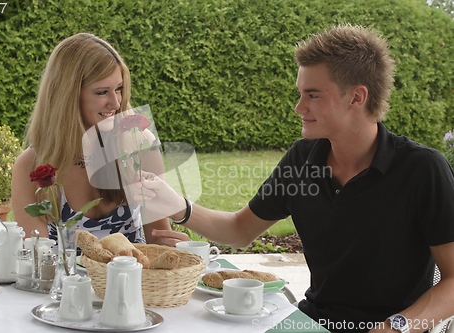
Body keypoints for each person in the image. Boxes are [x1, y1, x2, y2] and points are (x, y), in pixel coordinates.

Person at [133, 24, 454, 332]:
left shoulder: (422, 170)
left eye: (313, 95)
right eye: (301, 94)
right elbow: (240, 230)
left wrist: (396, 328)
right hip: (311, 323)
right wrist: (179, 206)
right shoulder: (302, 159)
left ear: (357, 97)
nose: (299, 107)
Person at [11, 33, 189, 246]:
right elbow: (37, 259)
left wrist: (174, 248)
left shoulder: (139, 144)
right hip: (65, 280)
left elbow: (157, 238)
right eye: (102, 92)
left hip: (133, 276)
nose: (115, 103)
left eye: (119, 89)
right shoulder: (31, 165)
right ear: (68, 96)